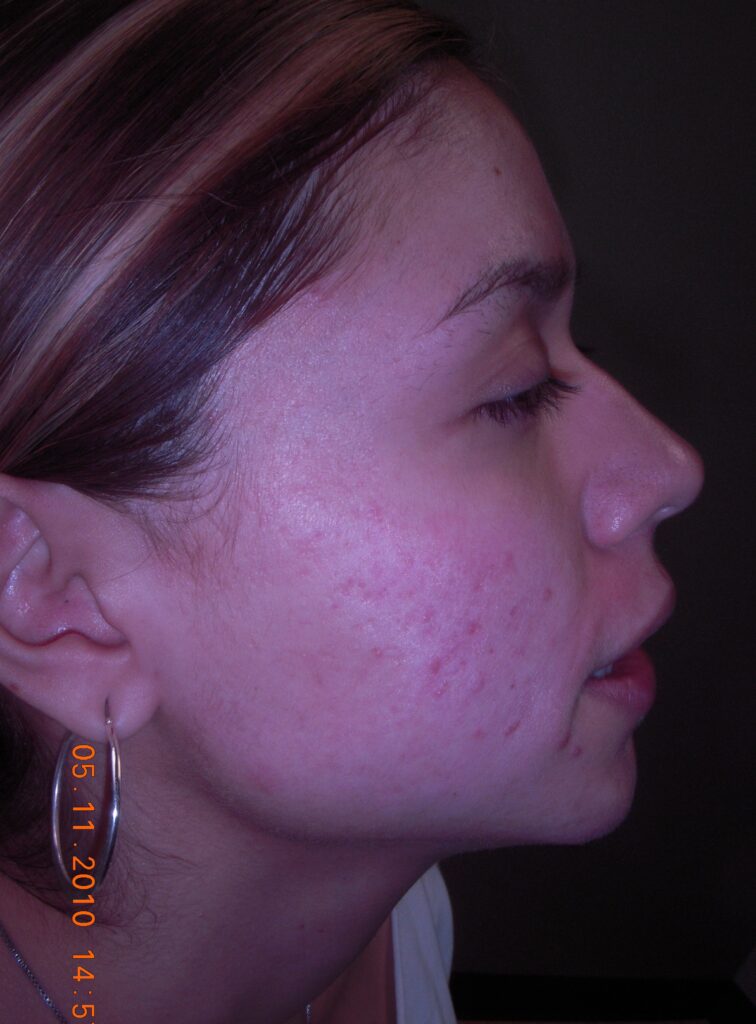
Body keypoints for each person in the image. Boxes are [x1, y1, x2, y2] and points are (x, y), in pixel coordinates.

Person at [0, 1, 704, 1022]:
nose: (668, 469)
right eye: (515, 393)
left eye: (572, 350)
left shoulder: (390, 906)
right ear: (58, 596)